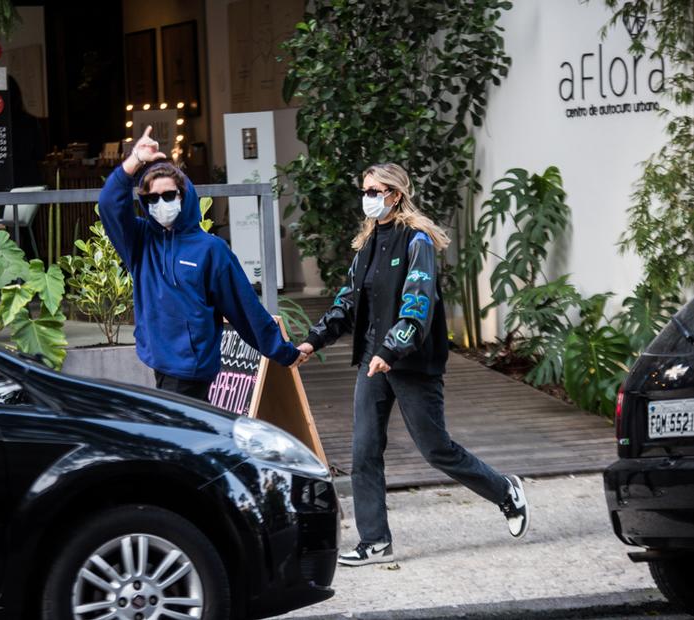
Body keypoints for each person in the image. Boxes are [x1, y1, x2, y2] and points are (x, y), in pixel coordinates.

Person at [297, 163, 530, 566]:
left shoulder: (416, 241)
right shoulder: (367, 246)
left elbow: (417, 306)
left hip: (410, 362)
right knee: (364, 450)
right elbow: (347, 302)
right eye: (365, 190)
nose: (368, 197)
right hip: (374, 360)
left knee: (436, 449)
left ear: (396, 195)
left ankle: (505, 491)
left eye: (375, 190)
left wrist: (392, 350)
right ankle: (375, 540)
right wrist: (312, 341)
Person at [98, 126, 307, 400]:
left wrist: (283, 351)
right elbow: (109, 204)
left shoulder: (211, 250)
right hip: (159, 360)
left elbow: (244, 307)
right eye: (152, 198)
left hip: (190, 367)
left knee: (179, 437)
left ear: (184, 197)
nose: (161, 203)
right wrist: (135, 159)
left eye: (169, 195)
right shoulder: (140, 241)